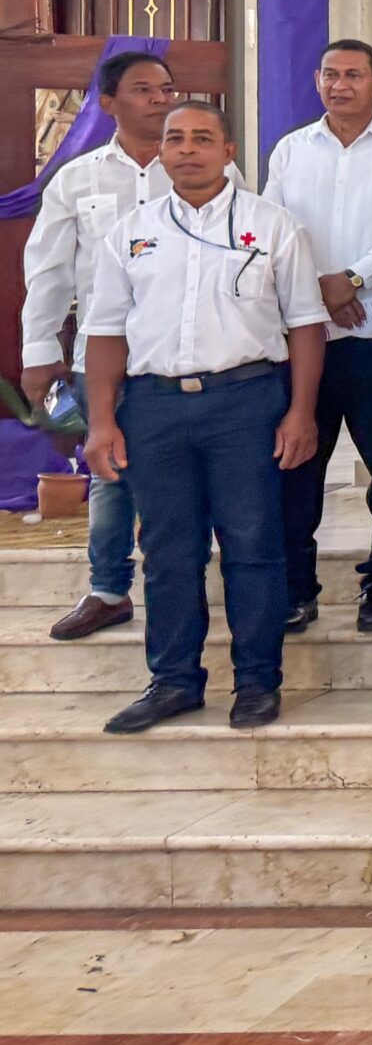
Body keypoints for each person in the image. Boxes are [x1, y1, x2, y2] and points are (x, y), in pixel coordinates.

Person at [81, 104, 326, 734]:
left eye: (202, 139)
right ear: (161, 151)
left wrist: (301, 413)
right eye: (176, 139)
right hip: (154, 408)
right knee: (168, 551)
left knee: (252, 545)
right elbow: (105, 332)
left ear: (229, 150)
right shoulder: (131, 232)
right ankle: (174, 681)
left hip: (245, 402)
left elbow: (306, 324)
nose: (187, 149)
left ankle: (257, 682)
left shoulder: (272, 225)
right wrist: (102, 422)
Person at [22, 52, 237, 643]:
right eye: (144, 89)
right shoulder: (77, 178)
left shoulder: (209, 170)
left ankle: (196, 585)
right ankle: (108, 590)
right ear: (108, 103)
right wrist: (39, 350)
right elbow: (49, 272)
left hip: (190, 355)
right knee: (110, 472)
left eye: (166, 88)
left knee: (196, 474)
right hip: (105, 356)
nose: (160, 99)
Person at [266, 39, 372, 634]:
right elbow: (273, 230)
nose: (340, 85)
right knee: (296, 468)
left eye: (354, 75)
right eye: (331, 75)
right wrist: (318, 294)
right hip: (303, 335)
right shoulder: (291, 150)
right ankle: (297, 589)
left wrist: (354, 279)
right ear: (317, 80)